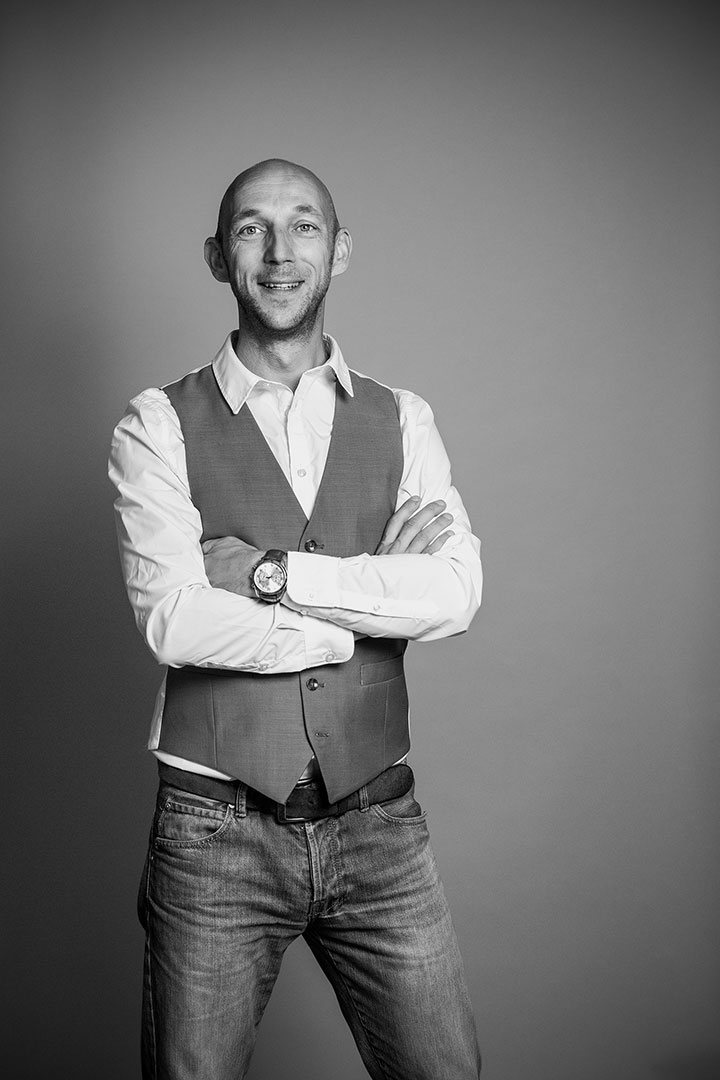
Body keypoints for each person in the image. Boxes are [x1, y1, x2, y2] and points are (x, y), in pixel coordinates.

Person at [109, 158, 483, 1080]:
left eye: (304, 226)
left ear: (339, 250)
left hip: (380, 824)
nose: (279, 253)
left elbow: (454, 594)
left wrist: (273, 575)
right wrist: (362, 612)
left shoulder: (404, 418)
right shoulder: (157, 424)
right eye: (252, 229)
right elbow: (175, 621)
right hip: (213, 832)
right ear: (218, 257)